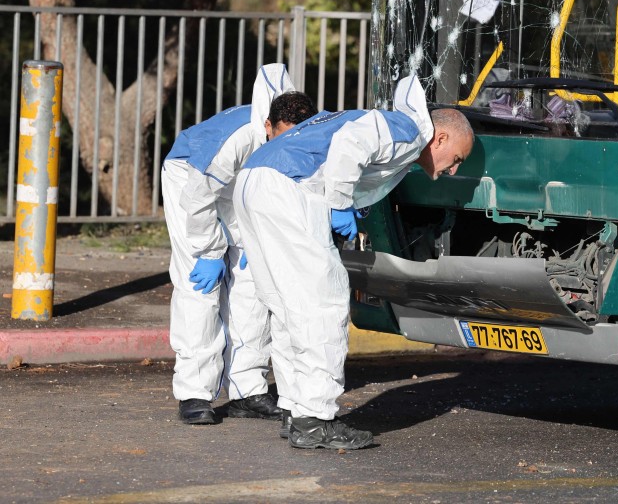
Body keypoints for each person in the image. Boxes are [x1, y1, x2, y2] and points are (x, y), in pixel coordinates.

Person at [233, 74, 474, 449]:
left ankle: (297, 412)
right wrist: (341, 202)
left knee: (287, 308)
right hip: (287, 187)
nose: (453, 170)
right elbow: (351, 144)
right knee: (322, 305)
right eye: (456, 158)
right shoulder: (407, 129)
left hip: (254, 180)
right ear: (439, 138)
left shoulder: (392, 125)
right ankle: (315, 419)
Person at [162, 63, 316, 425]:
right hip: (191, 180)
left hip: (238, 188)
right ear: (266, 125)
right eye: (280, 138)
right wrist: (210, 252)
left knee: (253, 284)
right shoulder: (240, 138)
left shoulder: (302, 133)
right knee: (200, 287)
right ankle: (194, 393)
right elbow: (199, 197)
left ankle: (247, 388)